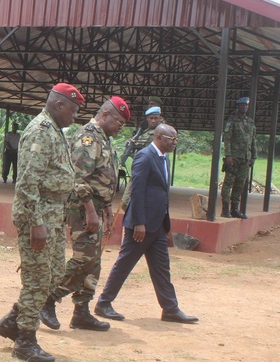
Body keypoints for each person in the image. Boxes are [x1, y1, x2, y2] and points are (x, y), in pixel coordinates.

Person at [0, 83, 84, 362]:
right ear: (59, 105)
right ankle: (25, 340)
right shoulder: (41, 131)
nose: (75, 115)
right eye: (73, 109)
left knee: (55, 273)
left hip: (53, 212)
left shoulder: (55, 129)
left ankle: (13, 320)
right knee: (37, 278)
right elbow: (27, 182)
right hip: (39, 214)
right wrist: (36, 223)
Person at [94, 125, 199, 324]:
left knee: (161, 268)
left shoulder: (164, 158)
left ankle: (170, 308)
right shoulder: (144, 157)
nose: (174, 142)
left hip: (158, 224)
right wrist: (140, 222)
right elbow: (137, 191)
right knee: (125, 263)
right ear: (159, 137)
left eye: (176, 139)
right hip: (141, 226)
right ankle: (104, 303)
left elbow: (161, 193)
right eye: (171, 139)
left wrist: (165, 223)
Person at [40, 97, 129, 332]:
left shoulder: (105, 139)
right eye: (119, 121)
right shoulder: (87, 137)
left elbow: (104, 177)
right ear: (106, 115)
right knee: (85, 258)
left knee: (94, 261)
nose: (121, 126)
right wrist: (91, 211)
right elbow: (78, 178)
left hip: (97, 206)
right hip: (81, 206)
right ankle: (49, 297)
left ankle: (81, 312)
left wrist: (107, 208)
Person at [120, 104, 166, 207]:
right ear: (147, 119)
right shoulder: (143, 133)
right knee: (125, 202)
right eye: (151, 118)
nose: (153, 121)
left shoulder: (160, 134)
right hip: (138, 171)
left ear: (160, 119)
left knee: (142, 203)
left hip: (150, 174)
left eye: (156, 118)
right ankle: (134, 221)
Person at [221, 96, 256, 219]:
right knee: (228, 183)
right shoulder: (232, 121)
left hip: (245, 157)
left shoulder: (250, 122)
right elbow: (227, 139)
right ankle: (225, 209)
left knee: (240, 184)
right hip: (234, 157)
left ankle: (234, 208)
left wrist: (254, 155)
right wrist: (228, 155)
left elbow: (253, 140)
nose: (244, 107)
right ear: (238, 106)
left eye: (246, 105)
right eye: (242, 105)